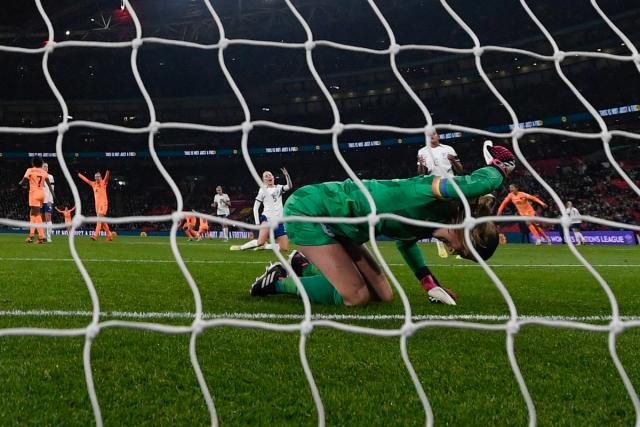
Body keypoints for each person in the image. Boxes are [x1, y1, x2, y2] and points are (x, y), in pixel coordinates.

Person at [249, 146, 516, 306]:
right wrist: (501, 168)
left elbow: (405, 241)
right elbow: (475, 183)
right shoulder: (434, 193)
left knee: (384, 295)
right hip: (313, 209)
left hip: (344, 226)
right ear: (469, 235)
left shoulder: (434, 224)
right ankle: (279, 282)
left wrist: (429, 283)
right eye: (465, 252)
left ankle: (305, 265)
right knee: (356, 296)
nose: (458, 254)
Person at [417, 133, 463, 258]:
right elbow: (421, 175)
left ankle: (459, 246)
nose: (431, 135)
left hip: (450, 184)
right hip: (434, 185)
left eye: (434, 133)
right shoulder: (422, 151)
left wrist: (453, 160)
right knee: (439, 216)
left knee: (455, 216)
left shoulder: (448, 149)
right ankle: (440, 242)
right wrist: (421, 164)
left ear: (438, 136)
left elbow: (460, 170)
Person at [231, 168, 292, 251]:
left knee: (284, 248)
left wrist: (287, 176)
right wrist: (257, 223)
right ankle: (241, 247)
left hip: (279, 220)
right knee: (260, 242)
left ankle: (266, 246)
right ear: (264, 180)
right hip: (267, 219)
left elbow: (289, 186)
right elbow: (256, 207)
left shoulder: (278, 188)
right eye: (266, 176)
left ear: (273, 177)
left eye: (270, 175)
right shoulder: (262, 190)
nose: (268, 177)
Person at [19, 156, 55, 244]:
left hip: (34, 194)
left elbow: (23, 182)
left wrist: (20, 183)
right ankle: (31, 236)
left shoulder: (30, 170)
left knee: (37, 215)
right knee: (32, 213)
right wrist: (53, 194)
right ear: (41, 164)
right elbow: (49, 184)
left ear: (33, 163)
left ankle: (41, 237)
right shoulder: (43, 172)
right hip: (42, 194)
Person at [78, 170, 113, 241]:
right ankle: (109, 236)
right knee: (103, 222)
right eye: (96, 177)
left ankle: (95, 235)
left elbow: (106, 177)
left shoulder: (104, 183)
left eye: (98, 177)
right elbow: (86, 180)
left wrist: (108, 171)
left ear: (100, 177)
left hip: (103, 204)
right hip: (97, 206)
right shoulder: (93, 184)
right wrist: (79, 174)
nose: (97, 178)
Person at [41, 162, 55, 242]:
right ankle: (44, 236)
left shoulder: (50, 177)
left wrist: (50, 200)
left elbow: (52, 189)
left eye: (47, 166)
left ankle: (49, 237)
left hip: (48, 201)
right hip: (41, 201)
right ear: (41, 167)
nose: (46, 168)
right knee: (42, 219)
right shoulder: (39, 176)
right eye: (44, 166)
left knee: (48, 219)